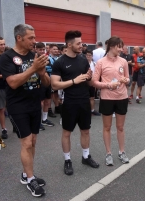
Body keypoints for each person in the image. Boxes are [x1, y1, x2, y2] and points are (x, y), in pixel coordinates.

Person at [0, 24, 50, 197]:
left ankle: (27, 174)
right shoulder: (6, 57)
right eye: (30, 38)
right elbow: (12, 82)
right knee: (26, 143)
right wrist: (33, 68)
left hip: (34, 104)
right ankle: (30, 179)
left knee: (33, 141)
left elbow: (47, 83)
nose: (34, 41)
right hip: (17, 106)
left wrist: (42, 72)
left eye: (34, 37)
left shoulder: (35, 55)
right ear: (19, 38)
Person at [51, 30, 99, 176]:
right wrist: (74, 81)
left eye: (81, 42)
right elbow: (54, 85)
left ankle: (86, 157)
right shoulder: (60, 62)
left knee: (85, 130)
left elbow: (89, 82)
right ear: (69, 44)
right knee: (67, 132)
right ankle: (67, 160)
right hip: (69, 102)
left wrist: (90, 77)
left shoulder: (83, 59)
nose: (81, 45)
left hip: (84, 101)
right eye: (78, 43)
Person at [92, 36, 130, 166]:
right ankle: (108, 153)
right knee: (107, 127)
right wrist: (108, 85)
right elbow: (94, 82)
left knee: (120, 127)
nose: (121, 49)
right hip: (107, 98)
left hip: (122, 97)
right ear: (112, 46)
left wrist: (126, 80)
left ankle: (122, 151)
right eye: (119, 47)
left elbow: (127, 78)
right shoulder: (101, 62)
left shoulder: (123, 61)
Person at [35, 42, 55, 130]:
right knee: (40, 103)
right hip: (38, 83)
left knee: (47, 101)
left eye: (43, 49)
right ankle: (37, 122)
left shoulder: (47, 58)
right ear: (36, 49)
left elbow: (51, 69)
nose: (42, 51)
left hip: (48, 82)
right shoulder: (35, 58)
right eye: (40, 49)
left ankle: (44, 119)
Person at [86, 49, 101, 116]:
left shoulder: (94, 64)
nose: (88, 56)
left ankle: (92, 110)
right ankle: (86, 111)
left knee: (92, 97)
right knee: (85, 97)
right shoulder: (83, 63)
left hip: (92, 82)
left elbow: (96, 74)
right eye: (87, 55)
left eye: (90, 55)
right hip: (84, 83)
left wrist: (95, 82)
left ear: (92, 56)